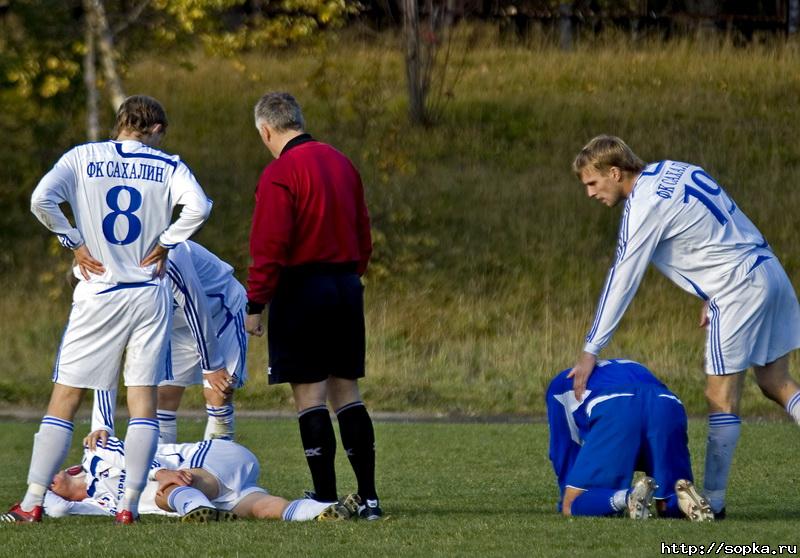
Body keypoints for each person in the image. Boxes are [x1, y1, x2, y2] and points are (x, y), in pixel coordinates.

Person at [1, 95, 212, 525]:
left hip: (98, 292)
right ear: (154, 129)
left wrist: (72, 240)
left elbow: (41, 200)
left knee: (66, 397)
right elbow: (200, 206)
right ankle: (128, 505)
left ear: (120, 124)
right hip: (147, 292)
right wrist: (168, 242)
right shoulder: (168, 165)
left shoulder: (82, 156)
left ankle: (32, 501)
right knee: (142, 401)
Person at [568, 135, 800, 517]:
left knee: (720, 397)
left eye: (593, 183)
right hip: (768, 269)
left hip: (737, 287)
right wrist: (708, 293)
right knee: (775, 381)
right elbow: (714, 226)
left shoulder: (642, 203)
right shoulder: (675, 169)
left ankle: (714, 503)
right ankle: (713, 500)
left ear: (614, 171)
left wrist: (591, 348)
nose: (590, 193)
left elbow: (623, 276)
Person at [244, 92, 380, 519]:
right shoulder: (342, 162)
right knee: (347, 393)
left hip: (302, 288)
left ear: (267, 130)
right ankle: (369, 497)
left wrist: (256, 301)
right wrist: (350, 274)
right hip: (345, 285)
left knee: (310, 396)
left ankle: (324, 499)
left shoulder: (280, 173)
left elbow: (270, 244)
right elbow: (363, 230)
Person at [91, 240, 248, 444]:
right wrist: (102, 424)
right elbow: (107, 357)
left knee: (218, 393)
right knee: (162, 398)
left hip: (221, 312)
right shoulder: (106, 289)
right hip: (175, 326)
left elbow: (195, 308)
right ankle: (161, 469)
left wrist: (213, 365)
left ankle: (216, 468)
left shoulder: (168, 256)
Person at [45, 433, 356, 522]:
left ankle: (196, 511)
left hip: (210, 460)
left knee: (166, 489)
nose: (49, 480)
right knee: (262, 508)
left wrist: (159, 471)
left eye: (49, 473)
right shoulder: (101, 506)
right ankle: (325, 510)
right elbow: (56, 509)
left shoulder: (93, 456)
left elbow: (125, 447)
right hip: (221, 491)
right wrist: (37, 497)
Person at [547, 358, 713, 521]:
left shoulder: (560, 385)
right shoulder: (632, 366)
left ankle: (627, 497)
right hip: (666, 402)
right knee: (669, 496)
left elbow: (563, 450)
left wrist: (568, 495)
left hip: (617, 405)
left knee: (572, 503)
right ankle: (685, 502)